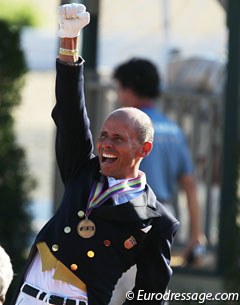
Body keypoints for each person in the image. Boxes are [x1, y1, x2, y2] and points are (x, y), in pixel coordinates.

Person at [11, 4, 179, 305]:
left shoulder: (158, 220)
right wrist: (69, 43)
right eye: (103, 136)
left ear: (144, 149)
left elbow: (150, 295)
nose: (105, 144)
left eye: (118, 139)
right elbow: (71, 114)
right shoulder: (82, 170)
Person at [113, 57, 206, 265]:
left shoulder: (127, 128)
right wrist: (196, 235)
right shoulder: (173, 128)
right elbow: (190, 184)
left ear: (129, 90)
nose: (118, 96)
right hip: (163, 216)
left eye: (118, 89)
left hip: (128, 215)